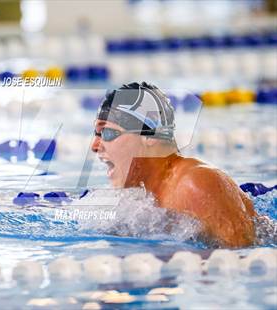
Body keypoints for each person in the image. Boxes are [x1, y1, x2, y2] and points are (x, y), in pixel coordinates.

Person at [91, 81, 256, 248]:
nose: (94, 146)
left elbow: (241, 257)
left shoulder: (195, 184)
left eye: (108, 133)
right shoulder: (141, 198)